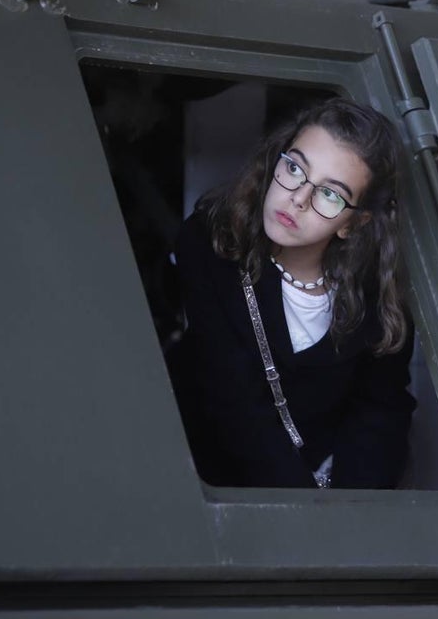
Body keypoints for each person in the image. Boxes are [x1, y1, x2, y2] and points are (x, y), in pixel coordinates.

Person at [167, 97, 415, 489]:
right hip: (200, 479)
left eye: (330, 194)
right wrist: (307, 513)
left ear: (353, 223)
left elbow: (380, 411)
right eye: (295, 167)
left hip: (323, 495)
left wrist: (353, 507)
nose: (298, 198)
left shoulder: (374, 300)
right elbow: (233, 402)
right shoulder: (210, 244)